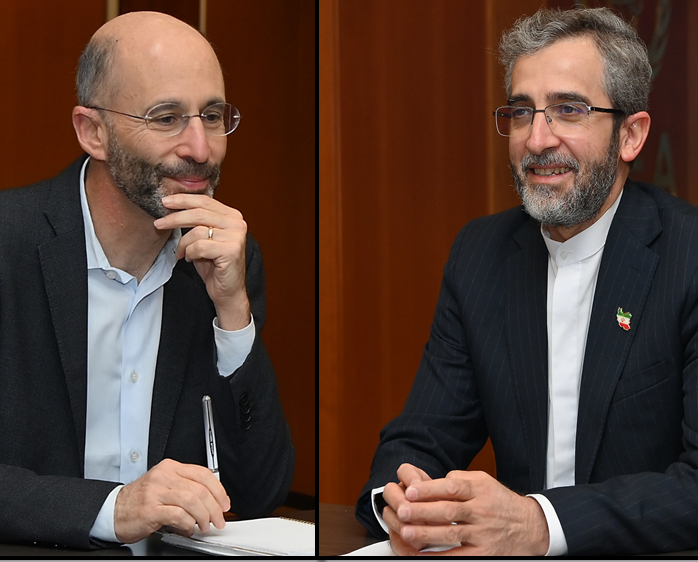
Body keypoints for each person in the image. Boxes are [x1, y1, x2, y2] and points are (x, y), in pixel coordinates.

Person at [356, 6, 698, 556]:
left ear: (630, 135)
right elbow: (422, 437)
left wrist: (541, 524)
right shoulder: (481, 254)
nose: (537, 140)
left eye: (568, 110)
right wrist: (403, 502)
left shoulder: (689, 255)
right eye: (521, 112)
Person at [0, 11, 294, 549]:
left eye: (211, 116)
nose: (200, 149)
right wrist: (111, 508)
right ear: (93, 132)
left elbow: (259, 491)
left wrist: (233, 314)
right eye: (166, 118)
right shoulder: (9, 244)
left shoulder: (226, 260)